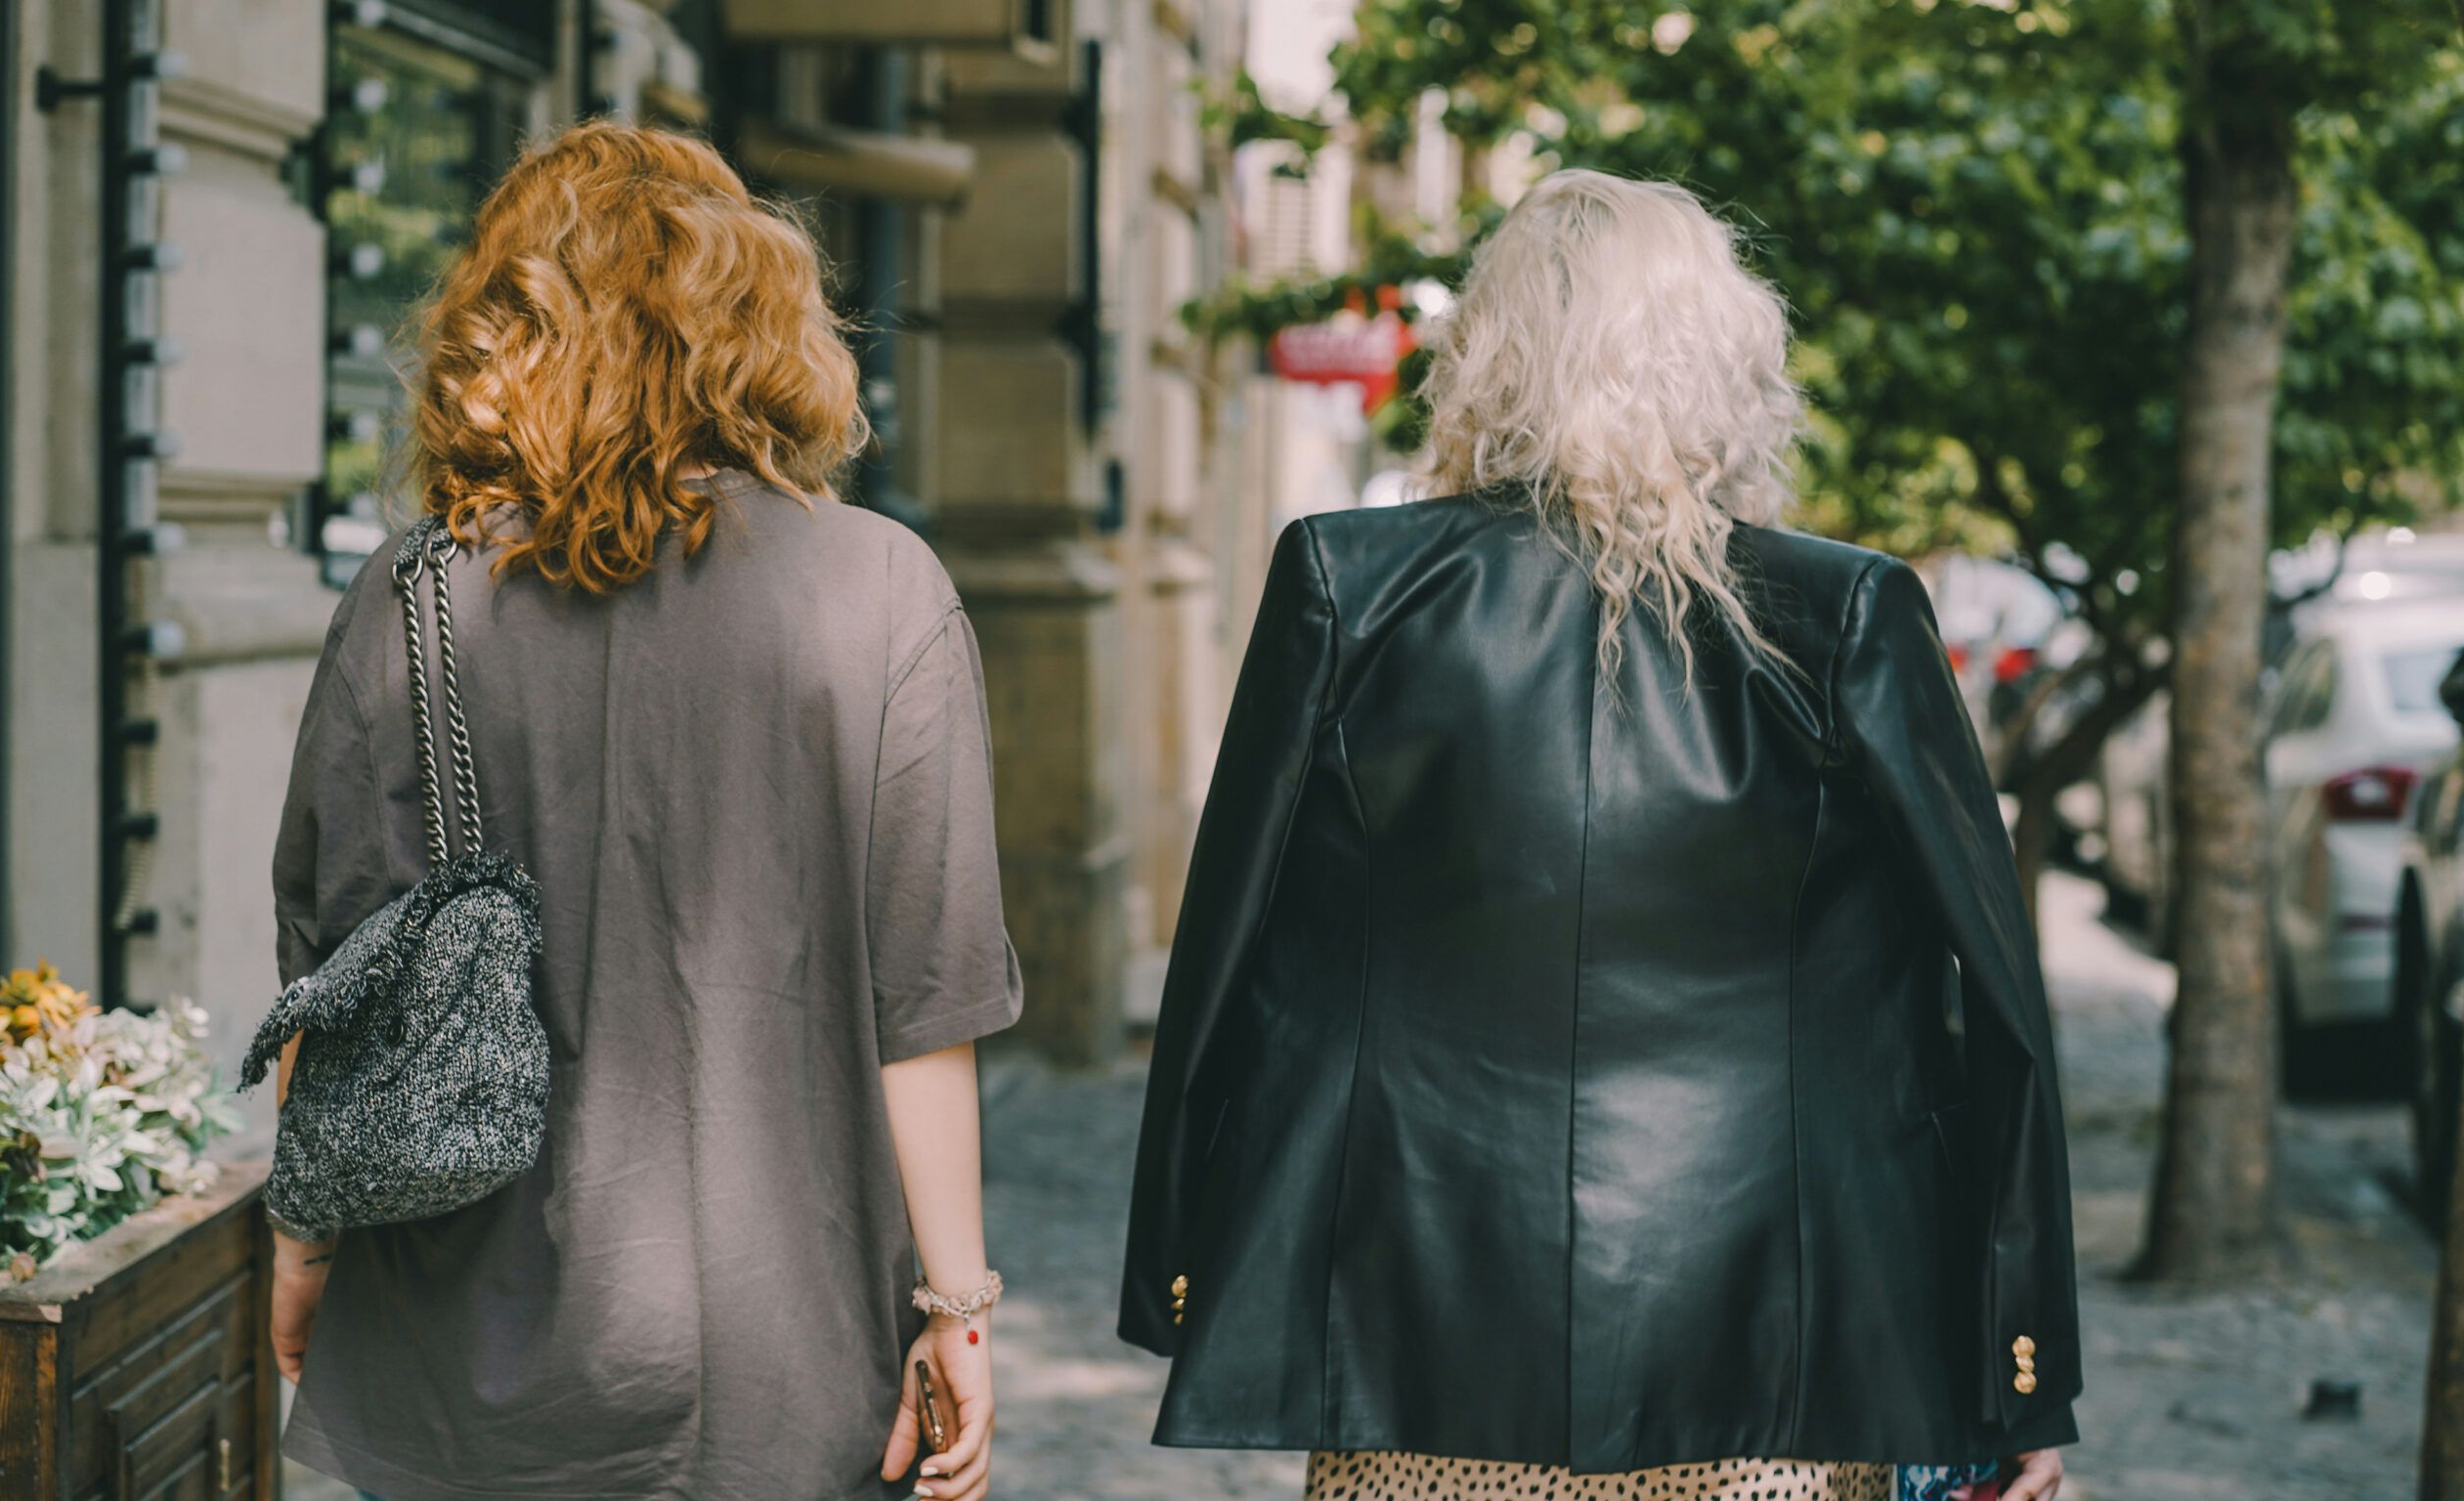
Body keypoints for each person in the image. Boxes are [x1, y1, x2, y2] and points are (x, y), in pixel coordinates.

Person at [1119, 169, 2079, 1501]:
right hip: (1768, 1365)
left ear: (1487, 358)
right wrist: (2018, 1346)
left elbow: (1231, 957)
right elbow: (1991, 1004)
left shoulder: (1350, 590)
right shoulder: (1844, 612)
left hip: (1422, 1351)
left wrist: (1186, 1265)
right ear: (1729, 359)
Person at [267, 121, 1021, 1501]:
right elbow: (928, 1000)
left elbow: (338, 975)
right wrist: (955, 1309)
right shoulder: (883, 589)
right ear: (755, 316)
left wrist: (303, 1252)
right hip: (781, 1354)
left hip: (463, 1350)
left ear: (504, 319)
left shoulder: (412, 600)